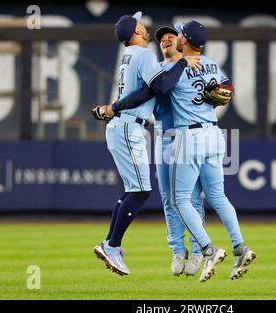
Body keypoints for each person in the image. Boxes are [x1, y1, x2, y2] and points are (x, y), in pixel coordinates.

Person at [92, 11, 201, 276]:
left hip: (123, 124)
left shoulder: (130, 56)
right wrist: (184, 62)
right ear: (136, 32)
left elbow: (147, 90)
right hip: (129, 126)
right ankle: (112, 245)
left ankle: (109, 244)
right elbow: (160, 86)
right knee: (140, 191)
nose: (143, 25)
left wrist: (113, 107)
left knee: (133, 189)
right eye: (139, 23)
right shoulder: (143, 54)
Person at [168, 21, 257, 282]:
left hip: (190, 135)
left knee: (179, 199)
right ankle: (240, 247)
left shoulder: (177, 66)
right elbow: (227, 91)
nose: (177, 35)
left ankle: (209, 249)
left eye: (180, 33)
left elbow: (160, 86)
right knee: (218, 196)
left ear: (185, 40)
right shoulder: (212, 64)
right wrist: (214, 92)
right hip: (214, 134)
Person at [154, 26, 205, 276]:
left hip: (188, 137)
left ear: (181, 42)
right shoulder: (156, 70)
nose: (165, 39)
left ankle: (197, 252)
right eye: (162, 38)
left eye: (170, 36)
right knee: (167, 197)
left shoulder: (195, 66)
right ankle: (177, 250)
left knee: (192, 199)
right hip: (164, 137)